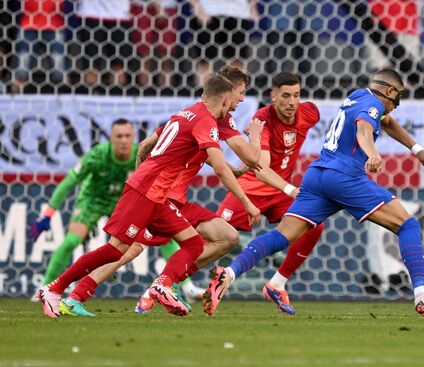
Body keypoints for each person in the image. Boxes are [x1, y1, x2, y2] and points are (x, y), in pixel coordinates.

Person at [204, 69, 424, 317]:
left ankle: (230, 272)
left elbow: (387, 122)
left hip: (318, 174)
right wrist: (372, 152)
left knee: (281, 236)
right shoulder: (371, 105)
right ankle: (422, 293)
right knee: (407, 224)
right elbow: (364, 128)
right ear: (388, 91)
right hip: (345, 176)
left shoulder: (359, 96)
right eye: (399, 95)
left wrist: (417, 149)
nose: (399, 102)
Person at [36, 74, 261, 318]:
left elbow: (147, 145)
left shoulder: (187, 113)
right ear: (226, 97)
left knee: (197, 242)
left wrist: (144, 171)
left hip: (158, 195)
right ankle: (56, 289)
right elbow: (232, 163)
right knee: (118, 250)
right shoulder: (207, 121)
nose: (241, 99)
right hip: (150, 192)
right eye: (240, 93)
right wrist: (248, 201)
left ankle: (163, 285)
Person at [215, 71, 325, 315]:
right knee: (216, 236)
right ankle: (174, 282)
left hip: (280, 194)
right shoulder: (262, 119)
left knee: (314, 224)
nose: (292, 102)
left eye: (296, 95)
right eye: (285, 96)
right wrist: (290, 189)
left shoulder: (310, 113)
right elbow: (262, 167)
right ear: (273, 96)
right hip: (254, 188)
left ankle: (277, 283)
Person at [30, 119, 138, 286]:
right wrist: (47, 215)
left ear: (134, 136)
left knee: (163, 235)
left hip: (123, 203)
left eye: (127, 136)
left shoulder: (141, 155)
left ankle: (186, 287)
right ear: (111, 138)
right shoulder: (97, 155)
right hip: (93, 199)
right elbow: (69, 182)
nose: (123, 140)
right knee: (71, 241)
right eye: (119, 136)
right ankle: (43, 289)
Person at [11, 0, 66, 93]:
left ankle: (65, 100)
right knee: (21, 69)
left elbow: (61, 6)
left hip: (54, 26)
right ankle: (14, 101)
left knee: (59, 69)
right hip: (28, 26)